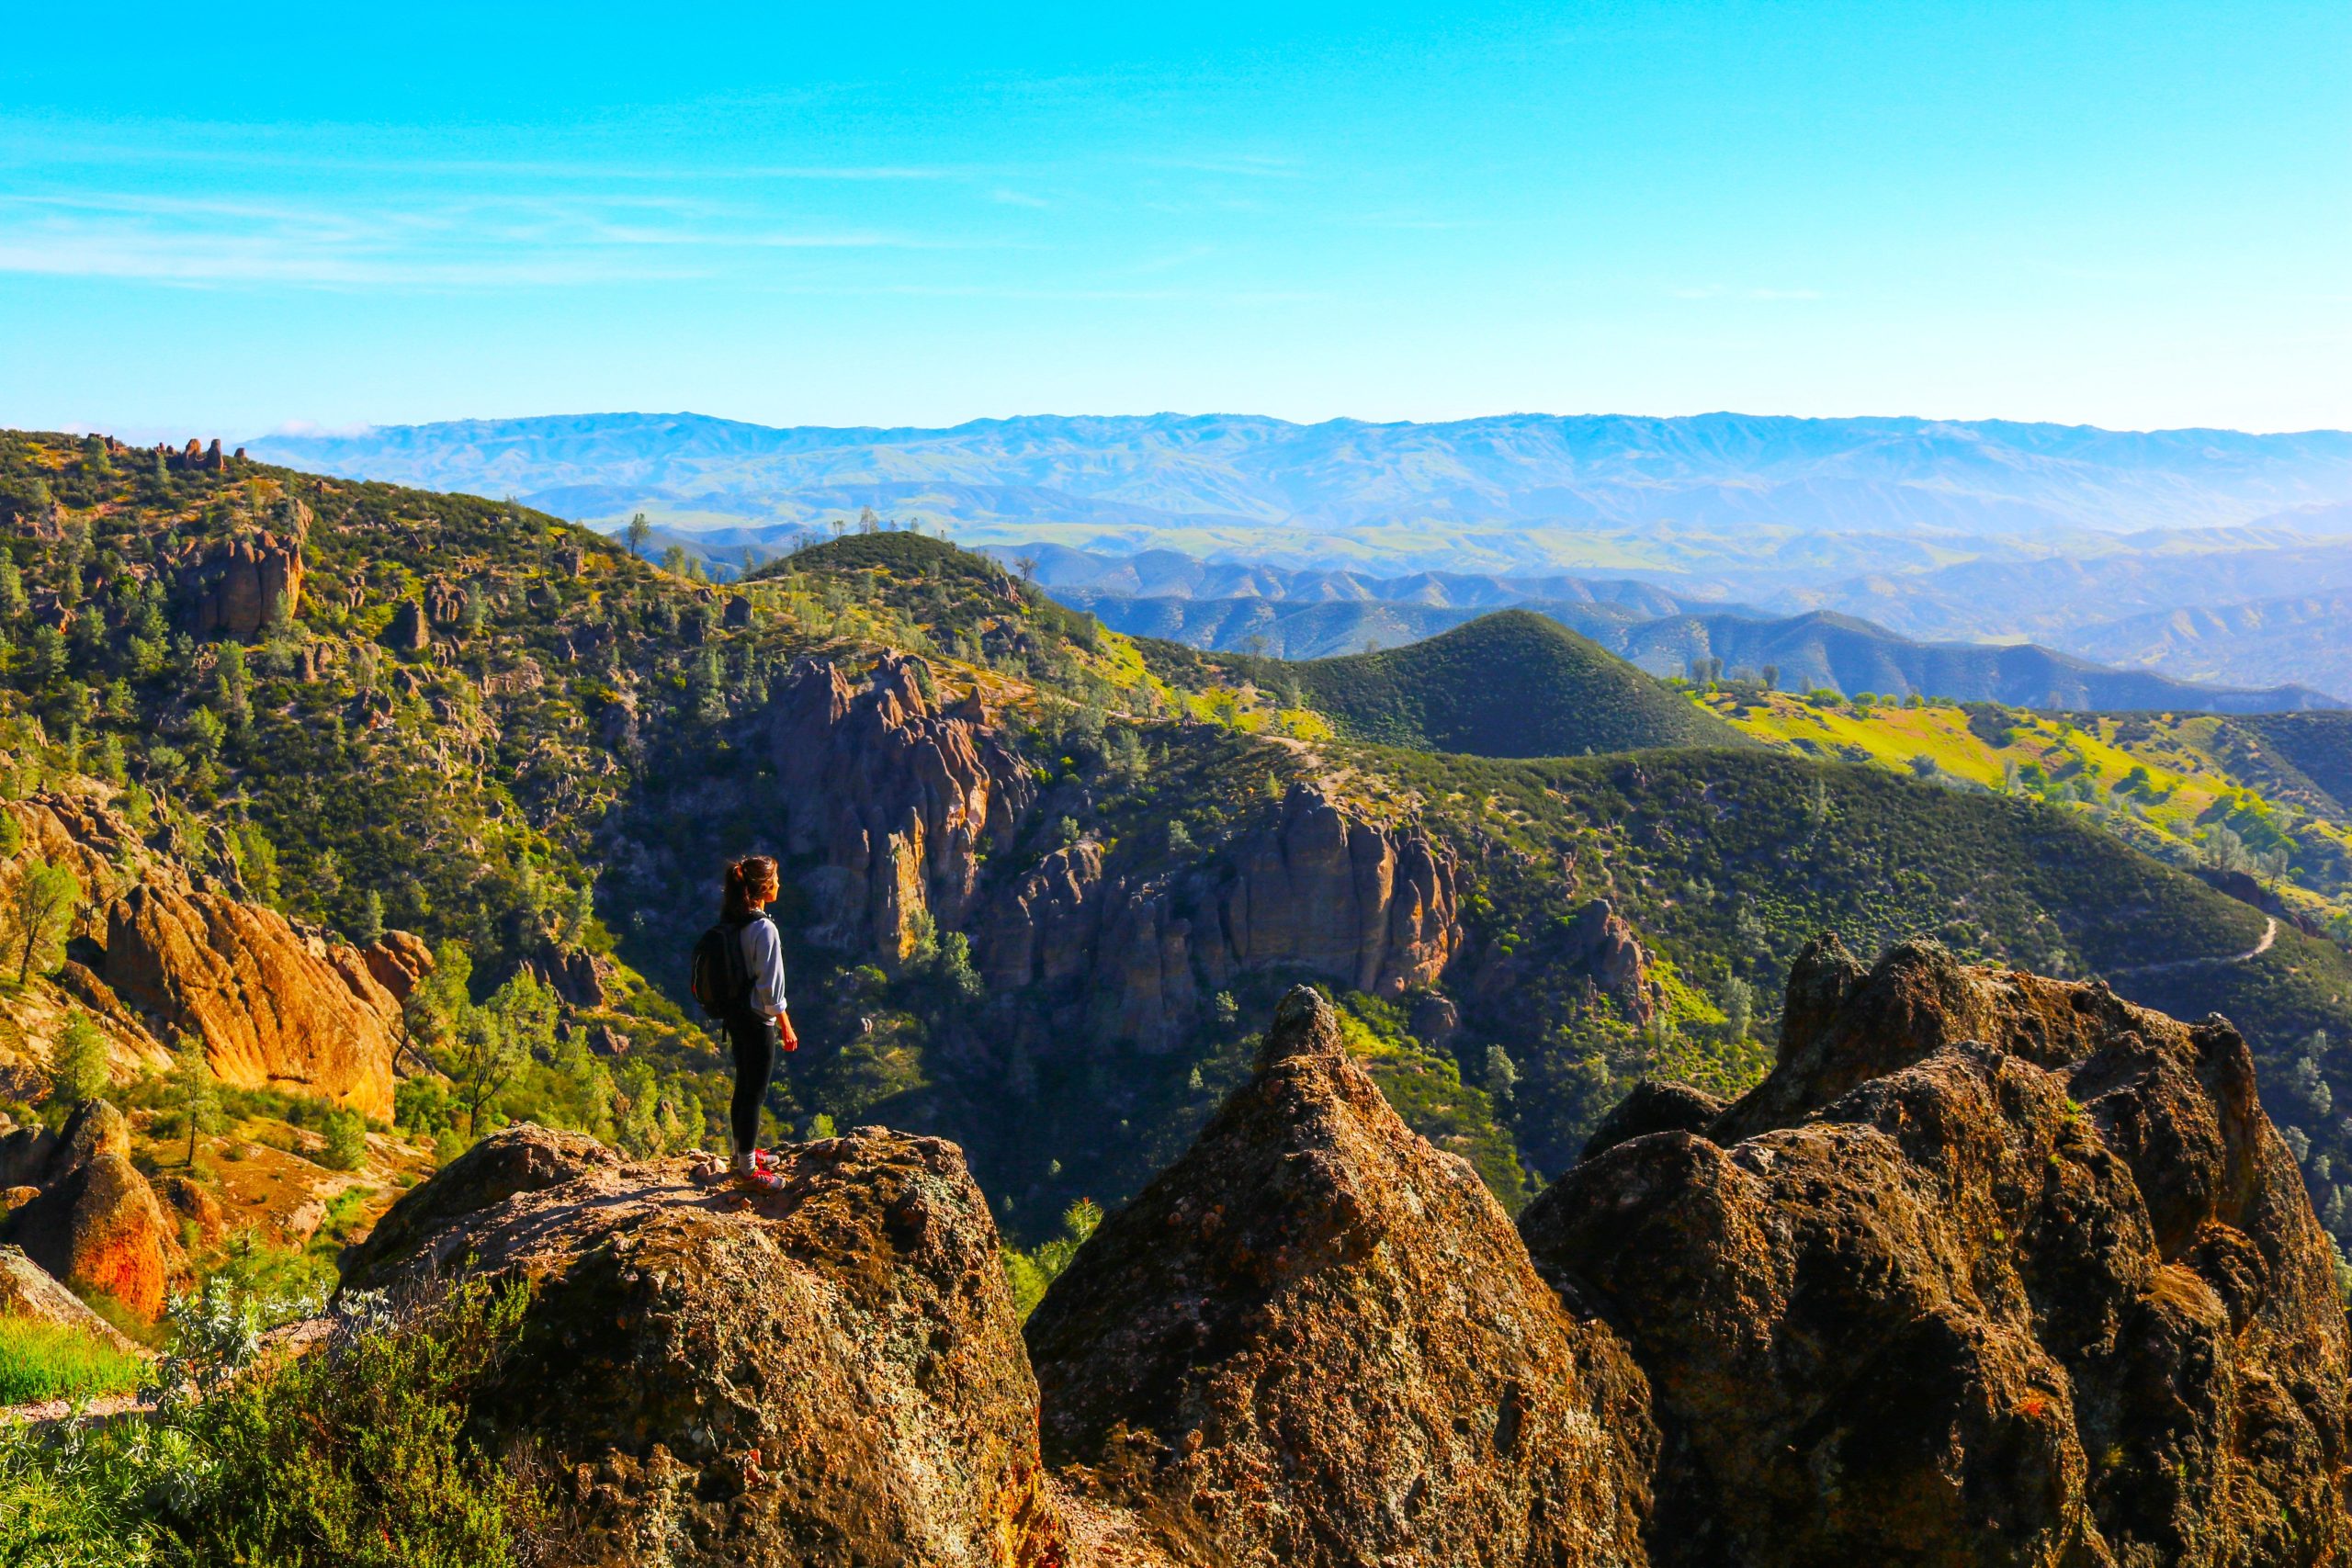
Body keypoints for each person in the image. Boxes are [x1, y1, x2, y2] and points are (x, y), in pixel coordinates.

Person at [719, 855, 797, 1190]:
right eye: (775, 879)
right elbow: (771, 988)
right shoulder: (764, 928)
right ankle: (748, 1172)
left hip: (735, 1015)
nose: (779, 884)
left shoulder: (735, 920)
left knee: (743, 1086)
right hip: (757, 1020)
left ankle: (742, 1154)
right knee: (755, 1092)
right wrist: (785, 1025)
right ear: (763, 887)